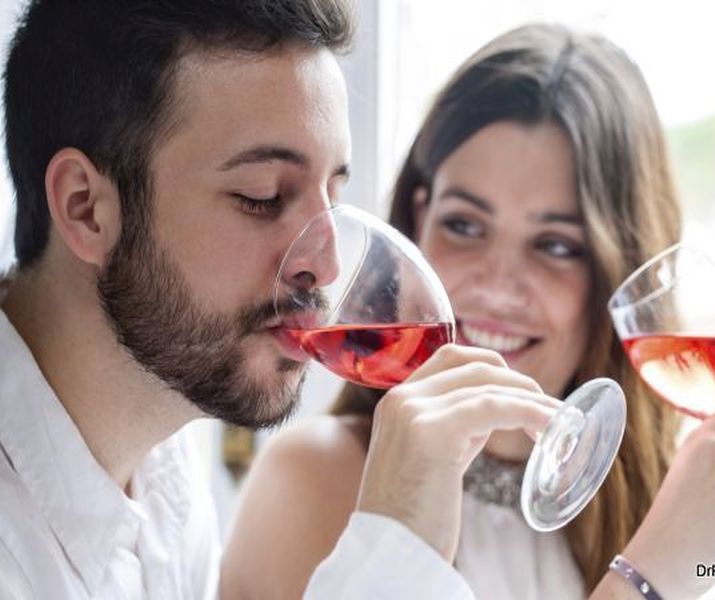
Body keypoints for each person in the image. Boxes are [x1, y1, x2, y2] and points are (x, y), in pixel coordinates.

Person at [0, 2, 578, 598]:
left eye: (333, 197)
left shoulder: (166, 470)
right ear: (85, 208)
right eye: (263, 197)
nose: (326, 266)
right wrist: (397, 544)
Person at [223, 23, 715, 600]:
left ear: (617, 274)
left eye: (555, 246)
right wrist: (649, 580)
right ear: (418, 220)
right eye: (465, 226)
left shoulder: (668, 503)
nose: (498, 286)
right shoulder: (318, 482)